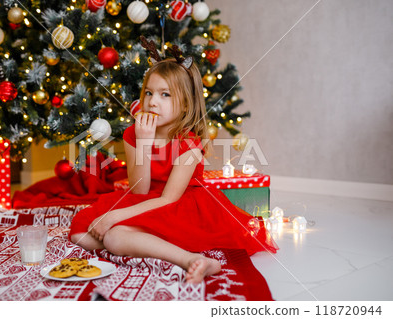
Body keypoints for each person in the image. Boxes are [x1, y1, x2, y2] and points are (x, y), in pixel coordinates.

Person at [69, 57, 278, 284]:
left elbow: (169, 198)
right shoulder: (135, 133)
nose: (152, 102)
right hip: (147, 198)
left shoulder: (188, 141)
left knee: (114, 238)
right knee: (80, 234)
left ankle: (190, 260)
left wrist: (114, 217)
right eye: (149, 93)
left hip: (181, 204)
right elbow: (140, 190)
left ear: (186, 104)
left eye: (164, 95)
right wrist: (144, 143)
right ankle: (142, 238)